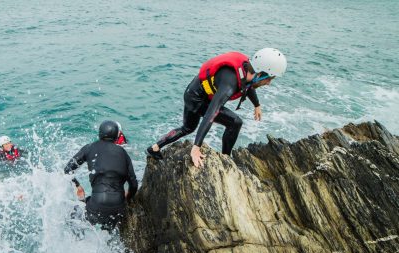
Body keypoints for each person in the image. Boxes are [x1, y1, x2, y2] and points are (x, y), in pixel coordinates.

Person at [146, 48, 287, 167]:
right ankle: (226, 159)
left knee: (187, 128)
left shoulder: (247, 69)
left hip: (192, 92)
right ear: (260, 73)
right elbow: (211, 113)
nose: (268, 83)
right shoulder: (229, 83)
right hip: (197, 99)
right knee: (235, 122)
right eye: (269, 79)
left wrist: (257, 105)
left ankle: (154, 148)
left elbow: (247, 85)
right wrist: (196, 148)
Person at [64, 120, 138, 230]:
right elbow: (134, 184)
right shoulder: (123, 153)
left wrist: (78, 186)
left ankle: (78, 242)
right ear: (117, 136)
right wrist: (128, 197)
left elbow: (67, 169)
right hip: (118, 209)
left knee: (75, 215)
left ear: (99, 134)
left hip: (95, 207)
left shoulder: (89, 148)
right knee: (109, 230)